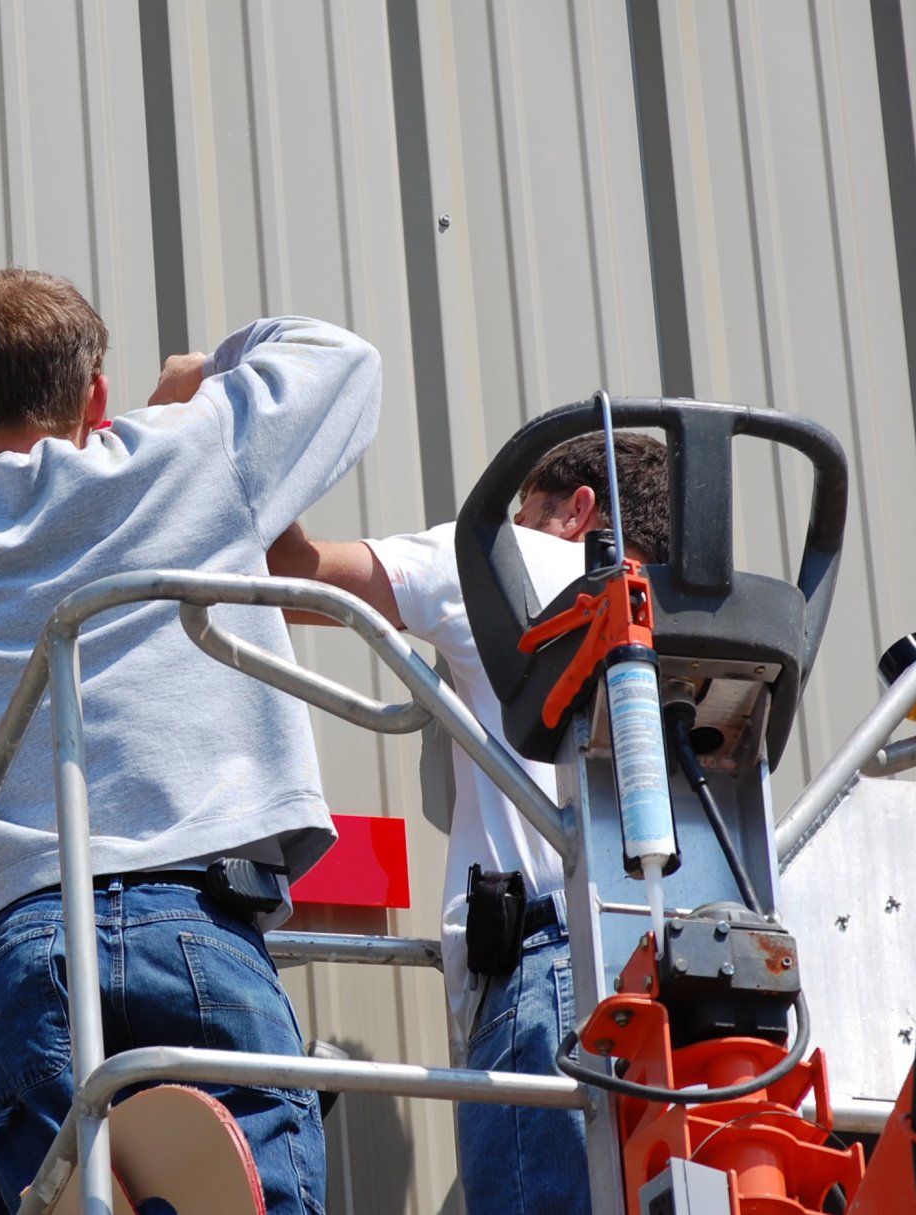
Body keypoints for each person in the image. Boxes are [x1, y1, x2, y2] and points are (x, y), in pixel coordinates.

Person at [0, 267, 380, 1215]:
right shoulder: (181, 454)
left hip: (27, 941)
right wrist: (203, 375)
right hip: (198, 920)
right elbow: (344, 363)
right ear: (97, 396)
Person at [267, 431, 669, 1215]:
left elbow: (297, 577)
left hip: (557, 985)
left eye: (529, 508)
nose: (515, 523)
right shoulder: (699, 624)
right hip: (693, 1004)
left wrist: (238, 441)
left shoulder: (513, 562)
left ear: (576, 509)